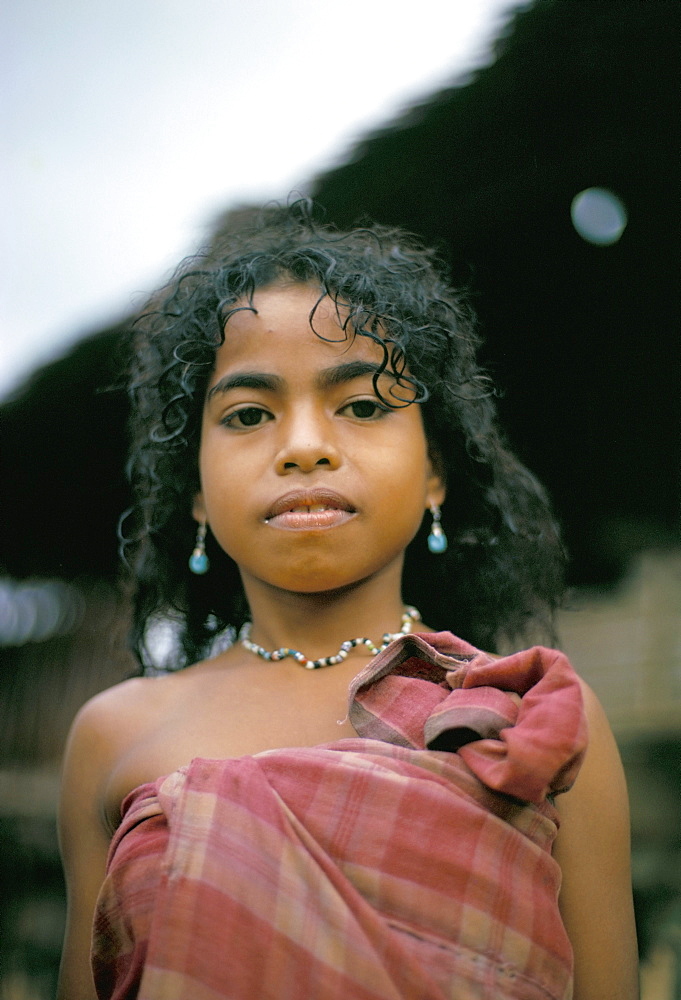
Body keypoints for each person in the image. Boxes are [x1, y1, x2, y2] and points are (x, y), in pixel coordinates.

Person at [57, 202, 638, 1000]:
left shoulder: (534, 718)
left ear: (435, 472)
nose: (302, 445)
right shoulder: (114, 736)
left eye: (363, 406)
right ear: (194, 492)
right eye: (249, 414)